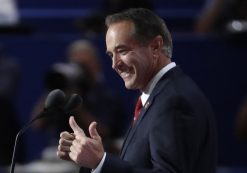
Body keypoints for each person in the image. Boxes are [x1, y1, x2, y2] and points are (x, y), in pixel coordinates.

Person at [57, 8, 217, 173]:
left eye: (122, 51)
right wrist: (90, 159)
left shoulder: (174, 101)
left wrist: (101, 163)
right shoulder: (159, 96)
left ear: (155, 47)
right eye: (111, 55)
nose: (115, 64)